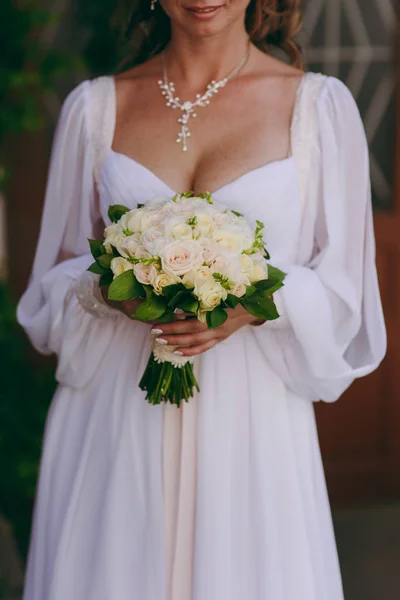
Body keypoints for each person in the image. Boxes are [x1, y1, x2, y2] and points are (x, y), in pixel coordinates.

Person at [17, 0, 387, 599]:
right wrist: (109, 288)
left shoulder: (318, 108)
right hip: (116, 416)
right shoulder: (94, 109)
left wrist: (258, 299)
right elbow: (51, 283)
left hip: (250, 424)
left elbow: (347, 295)